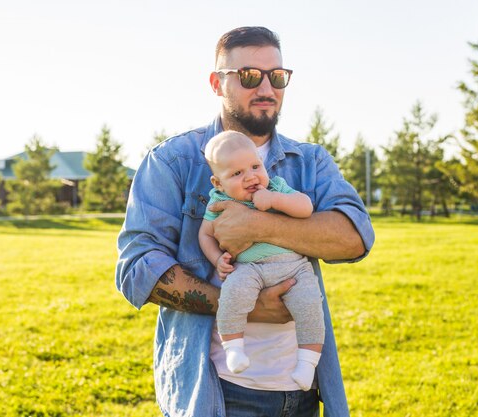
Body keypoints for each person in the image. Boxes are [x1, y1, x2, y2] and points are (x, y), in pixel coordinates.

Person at [116, 26, 375, 417]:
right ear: (217, 84)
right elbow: (137, 270)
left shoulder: (310, 161)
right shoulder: (173, 161)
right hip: (219, 393)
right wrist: (245, 306)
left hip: (304, 389)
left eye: (277, 76)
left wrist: (260, 226)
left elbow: (355, 237)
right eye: (250, 76)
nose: (267, 88)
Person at [198, 130, 324, 391]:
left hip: (294, 267)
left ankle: (307, 363)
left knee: (310, 305)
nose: (251, 177)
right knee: (232, 294)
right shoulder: (219, 201)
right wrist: (216, 259)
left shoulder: (275, 186)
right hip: (249, 268)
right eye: (237, 174)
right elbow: (205, 234)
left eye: (255, 166)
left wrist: (276, 200)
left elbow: (305, 207)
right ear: (218, 183)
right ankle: (234, 348)